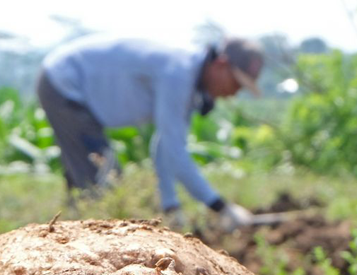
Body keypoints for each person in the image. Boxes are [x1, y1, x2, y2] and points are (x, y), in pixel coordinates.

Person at [37, 35, 263, 231]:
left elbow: (166, 143)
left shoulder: (188, 76)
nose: (234, 93)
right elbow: (176, 151)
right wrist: (220, 207)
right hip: (64, 84)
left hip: (72, 89)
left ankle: (71, 237)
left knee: (95, 181)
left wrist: (170, 205)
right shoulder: (178, 74)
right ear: (221, 65)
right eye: (236, 83)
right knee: (103, 183)